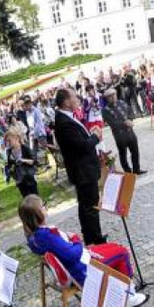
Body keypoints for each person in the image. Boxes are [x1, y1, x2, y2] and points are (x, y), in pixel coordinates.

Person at [19, 195, 147, 307]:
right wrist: (75, 239)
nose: (45, 207)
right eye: (43, 206)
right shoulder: (47, 236)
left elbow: (63, 251)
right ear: (37, 214)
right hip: (81, 269)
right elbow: (73, 255)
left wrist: (68, 241)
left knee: (112, 246)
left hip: (77, 264)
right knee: (122, 252)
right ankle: (128, 298)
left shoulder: (33, 238)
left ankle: (118, 290)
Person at [52, 88, 105, 245]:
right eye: (74, 97)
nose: (78, 99)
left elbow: (78, 141)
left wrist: (90, 133)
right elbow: (82, 147)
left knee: (87, 207)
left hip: (84, 170)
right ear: (66, 102)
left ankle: (91, 238)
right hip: (83, 172)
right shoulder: (63, 122)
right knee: (91, 207)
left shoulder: (67, 117)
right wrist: (96, 136)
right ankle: (96, 240)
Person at [101, 87, 143, 175]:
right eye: (110, 96)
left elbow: (129, 111)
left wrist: (131, 119)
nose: (113, 97)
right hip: (119, 136)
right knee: (123, 154)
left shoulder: (121, 102)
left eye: (114, 95)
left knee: (135, 152)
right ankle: (127, 172)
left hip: (130, 132)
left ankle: (136, 170)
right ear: (107, 98)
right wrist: (125, 123)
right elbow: (112, 123)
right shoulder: (105, 110)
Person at [4, 127, 40, 199]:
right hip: (20, 180)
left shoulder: (24, 148)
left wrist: (23, 160)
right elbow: (9, 165)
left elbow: (34, 161)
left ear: (16, 138)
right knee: (26, 199)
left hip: (29, 177)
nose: (8, 143)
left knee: (35, 197)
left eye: (9, 141)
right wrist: (11, 170)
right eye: (6, 142)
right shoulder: (9, 152)